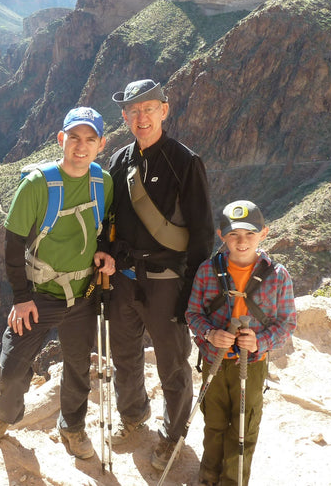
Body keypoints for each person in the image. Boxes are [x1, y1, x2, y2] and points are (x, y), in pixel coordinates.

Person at [0, 106, 115, 460]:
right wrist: (21, 299)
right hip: (39, 296)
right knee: (11, 368)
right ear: (61, 139)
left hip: (84, 293)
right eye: (74, 138)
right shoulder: (37, 185)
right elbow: (11, 245)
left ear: (101, 144)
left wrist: (105, 253)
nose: (80, 146)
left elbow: (105, 230)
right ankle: (4, 418)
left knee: (78, 366)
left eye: (89, 139)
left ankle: (72, 426)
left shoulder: (104, 182)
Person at [105, 79, 214, 470]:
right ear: (124, 117)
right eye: (133, 111)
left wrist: (193, 294)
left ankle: (173, 434)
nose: (141, 117)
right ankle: (134, 418)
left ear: (164, 111)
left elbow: (202, 232)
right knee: (125, 355)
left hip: (168, 281)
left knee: (172, 362)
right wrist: (105, 255)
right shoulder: (119, 162)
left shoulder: (185, 162)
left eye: (148, 108)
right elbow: (109, 220)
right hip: (124, 279)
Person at [186, 200, 296, 486]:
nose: (242, 241)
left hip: (253, 363)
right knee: (214, 423)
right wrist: (210, 334)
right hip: (215, 359)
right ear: (222, 236)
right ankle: (209, 476)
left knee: (244, 428)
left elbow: (287, 323)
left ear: (264, 233)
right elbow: (193, 313)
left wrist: (259, 341)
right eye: (234, 234)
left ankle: (233, 481)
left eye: (249, 233)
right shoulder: (208, 271)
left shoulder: (278, 276)